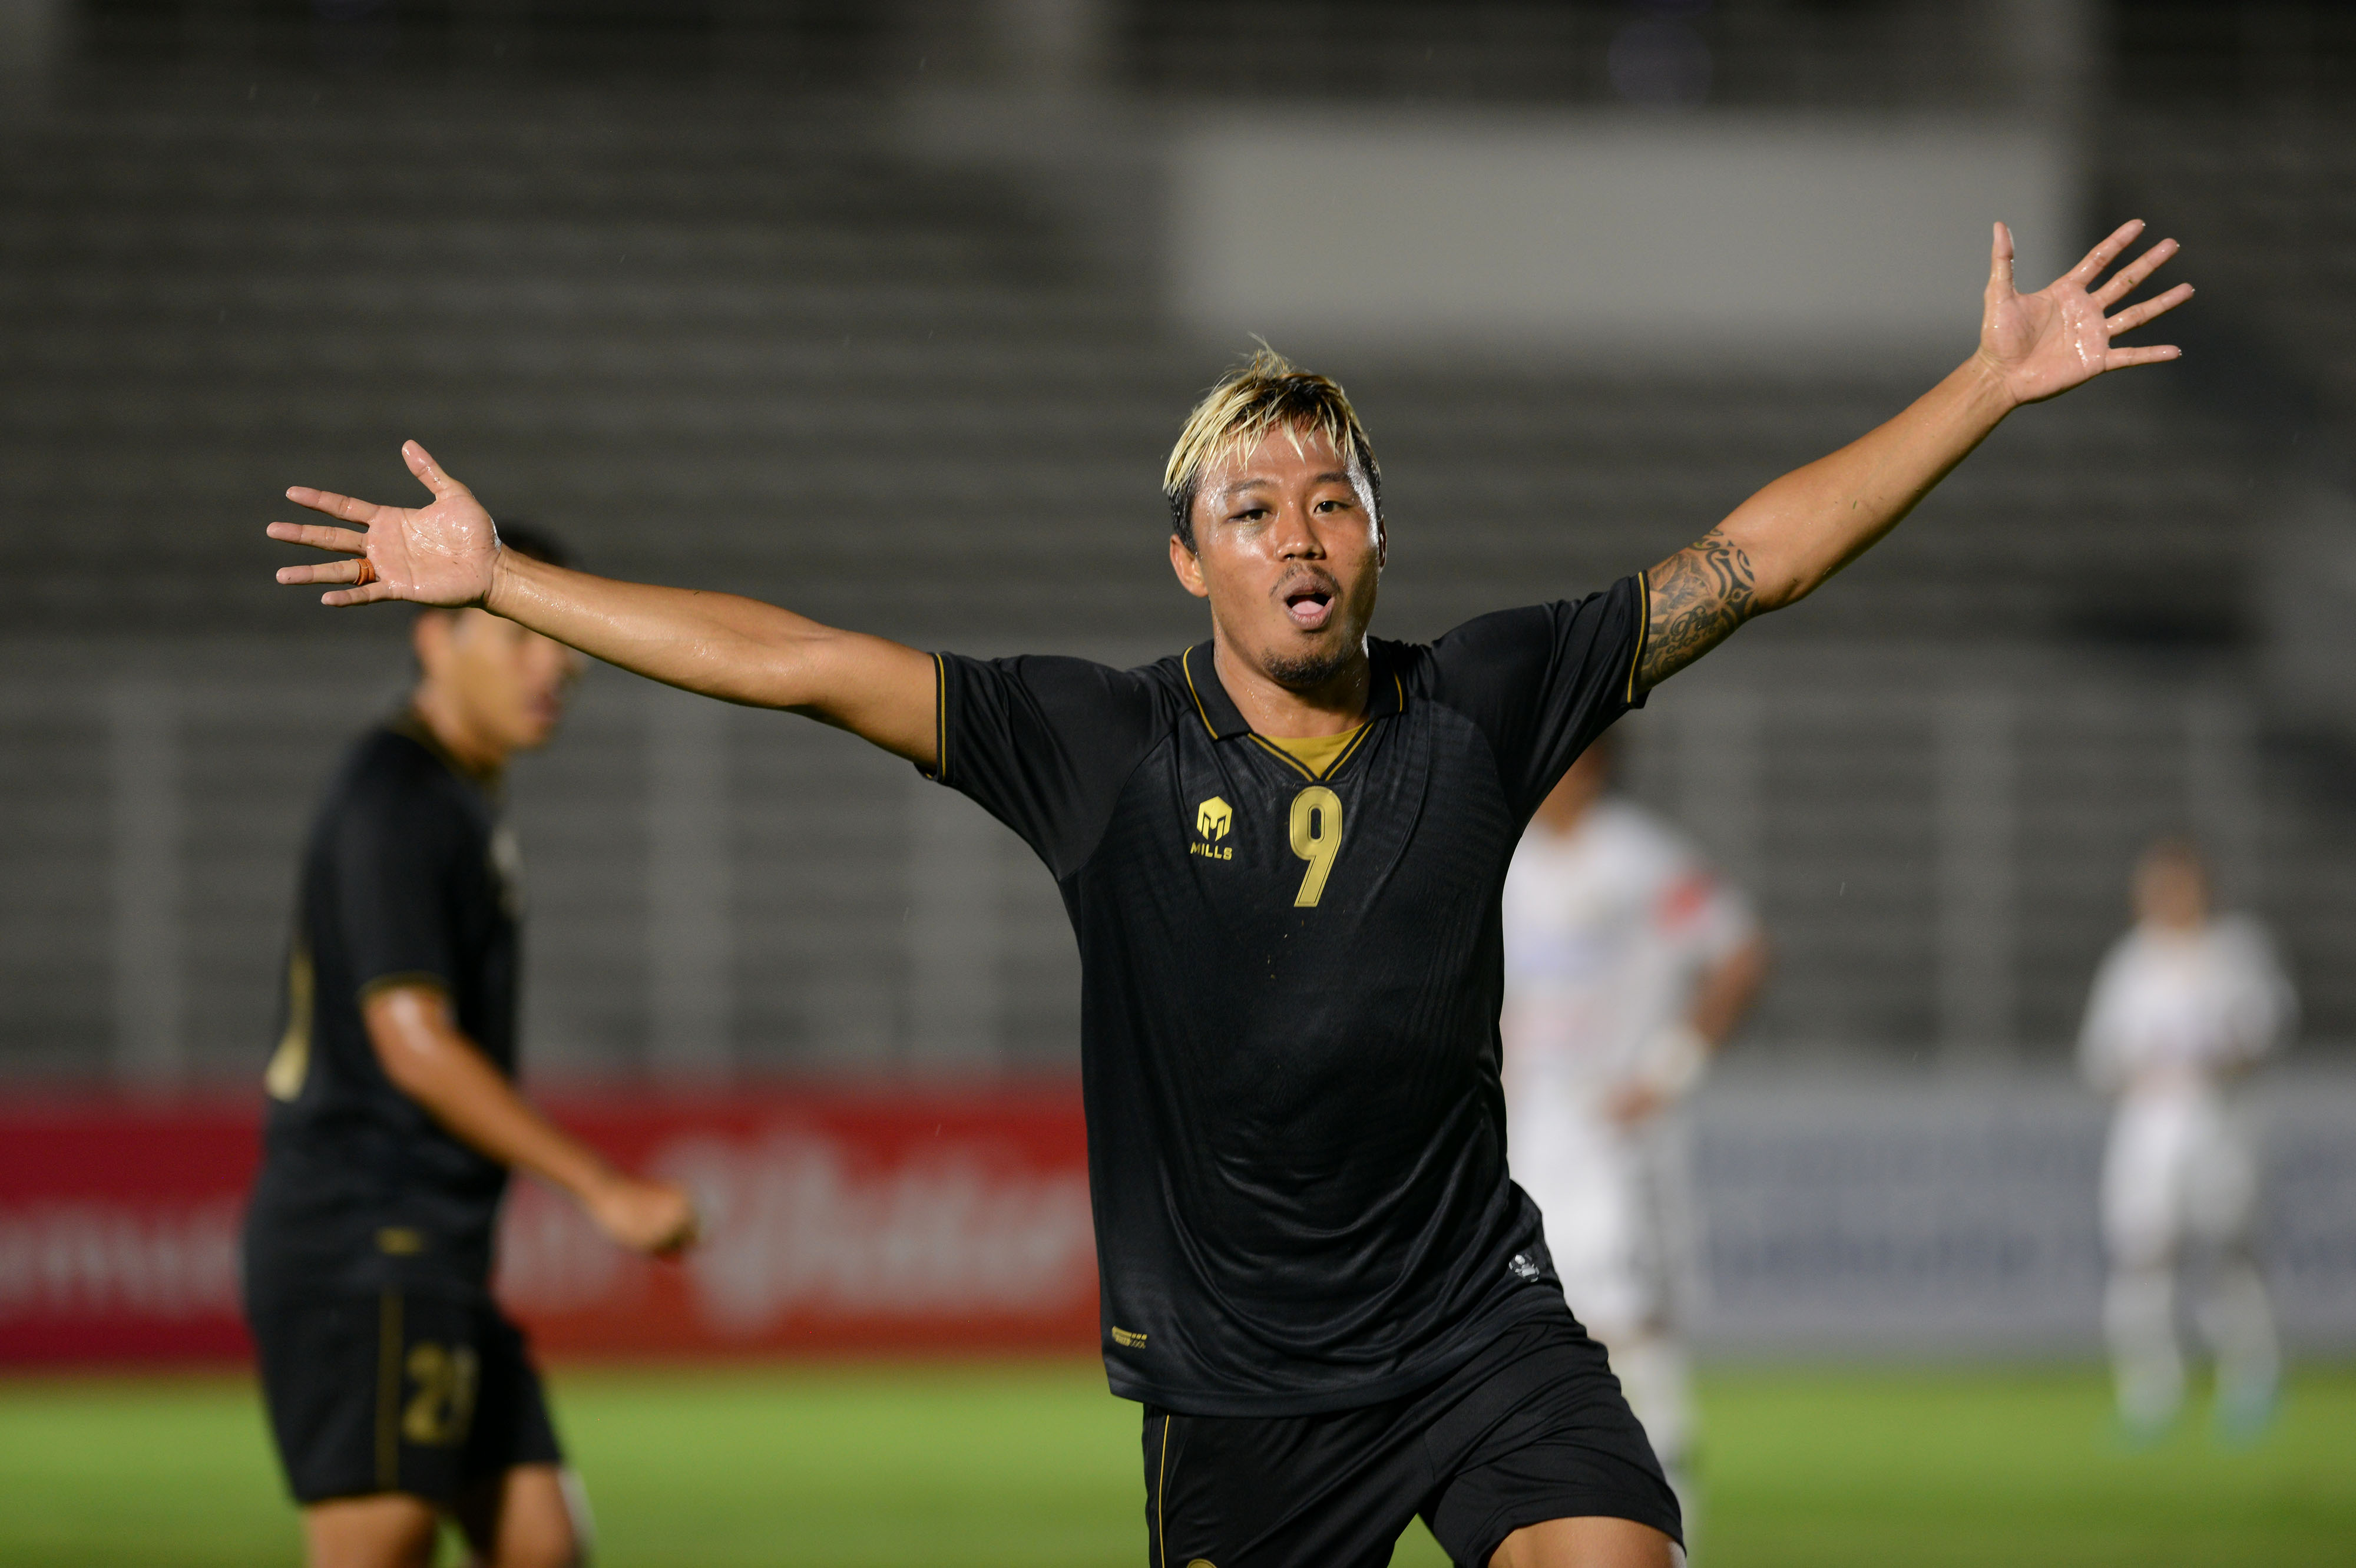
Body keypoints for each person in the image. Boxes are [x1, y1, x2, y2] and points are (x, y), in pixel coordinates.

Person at [266, 220, 2189, 1567]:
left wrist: (1985, 384)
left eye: (1333, 498)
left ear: (1379, 537)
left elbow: (1752, 563)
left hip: (1481, 1328)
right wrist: (505, 580)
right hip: (1243, 1386)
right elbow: (800, 662)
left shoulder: (1483, 699)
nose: (1300, 532)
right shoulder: (1098, 745)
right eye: (1252, 508)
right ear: (1189, 558)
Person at [244, 525, 701, 1568]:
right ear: (434, 639)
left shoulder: (453, 792)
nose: (558, 665)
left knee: (541, 1541)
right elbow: (412, 1041)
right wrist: (601, 1187)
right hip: (363, 1241)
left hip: (426, 1246)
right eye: (519, 635)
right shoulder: (399, 796)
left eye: (561, 638)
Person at [1501, 733, 1766, 1533]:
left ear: (1595, 766)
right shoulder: (1511, 864)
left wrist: (1668, 1070)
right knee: (1537, 1325)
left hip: (1611, 1135)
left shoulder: (1640, 858)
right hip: (1529, 1135)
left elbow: (1741, 952)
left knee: (1627, 1318)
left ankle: (1672, 1503)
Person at [2079, 836, 2294, 1445]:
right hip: (2148, 1131)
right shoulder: (2131, 961)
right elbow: (2100, 1055)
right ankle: (2150, 1393)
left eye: (2178, 885)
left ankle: (2251, 1385)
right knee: (2142, 1259)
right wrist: (2142, 1069)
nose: (2166, 897)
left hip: (2218, 1125)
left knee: (2229, 1256)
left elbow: (2265, 1032)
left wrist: (2212, 1060)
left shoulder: (2236, 949)